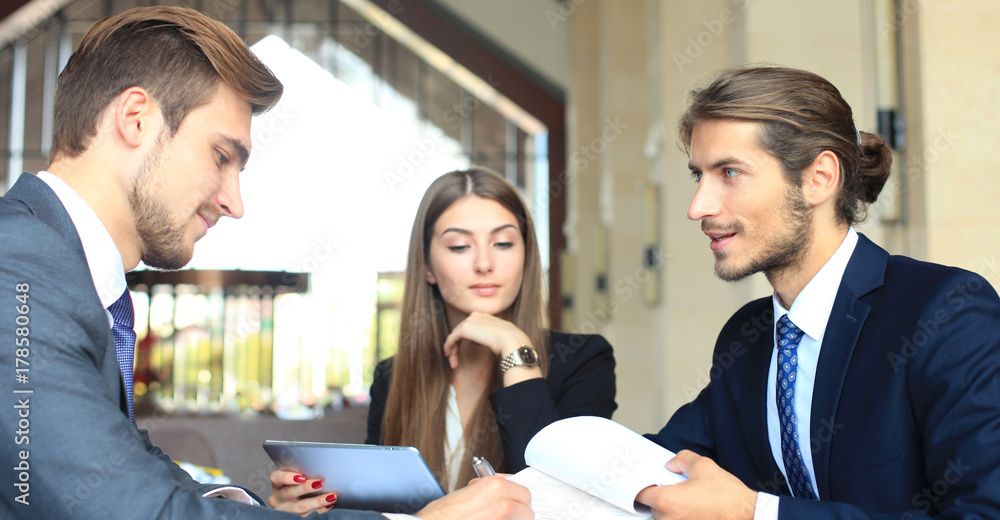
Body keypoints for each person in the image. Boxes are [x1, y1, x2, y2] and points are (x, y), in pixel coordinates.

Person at [0, 7, 531, 520]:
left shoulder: (55, 265)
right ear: (136, 118)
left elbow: (130, 472)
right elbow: (126, 509)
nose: (235, 202)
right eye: (221, 156)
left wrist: (246, 504)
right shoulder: (18, 264)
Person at [634, 66, 1000, 519]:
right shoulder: (746, 336)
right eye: (699, 176)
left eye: (729, 172)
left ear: (819, 178)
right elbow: (647, 465)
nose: (698, 208)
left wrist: (758, 513)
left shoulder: (947, 312)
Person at [269, 167, 617, 514]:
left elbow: (559, 505)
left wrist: (514, 348)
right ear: (428, 266)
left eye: (504, 243)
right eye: (460, 246)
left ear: (526, 257)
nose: (484, 263)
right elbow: (383, 511)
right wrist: (312, 509)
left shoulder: (584, 360)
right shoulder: (392, 377)